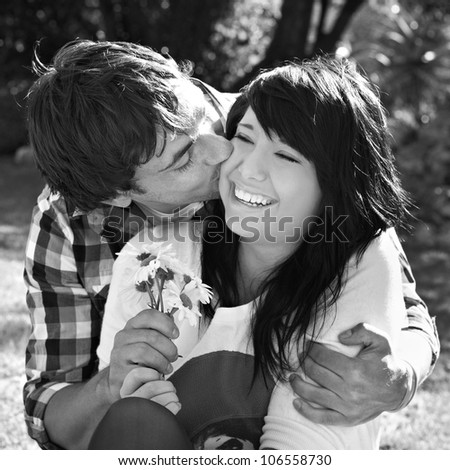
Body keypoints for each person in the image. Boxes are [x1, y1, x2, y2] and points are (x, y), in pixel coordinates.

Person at [23, 40, 438, 450]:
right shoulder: (68, 225)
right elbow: (50, 408)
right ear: (117, 195)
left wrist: (401, 376)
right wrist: (111, 385)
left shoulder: (280, 112)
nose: (223, 151)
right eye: (183, 158)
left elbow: (389, 283)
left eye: (206, 119)